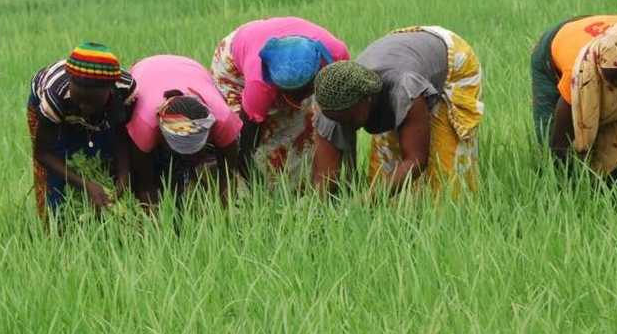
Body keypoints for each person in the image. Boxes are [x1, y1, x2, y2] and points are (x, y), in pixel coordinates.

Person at [312, 26, 483, 196]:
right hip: (398, 52)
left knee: (444, 170)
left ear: (367, 99)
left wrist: (364, 203)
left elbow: (416, 161)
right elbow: (325, 177)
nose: (343, 126)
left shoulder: (403, 88)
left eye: (348, 119)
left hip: (450, 60)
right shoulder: (331, 101)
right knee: (386, 167)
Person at [210, 17, 349, 181]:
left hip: (283, 43)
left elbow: (345, 119)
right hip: (235, 65)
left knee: (305, 129)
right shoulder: (259, 82)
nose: (297, 101)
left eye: (304, 91)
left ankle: (302, 187)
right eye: (289, 94)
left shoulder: (336, 57)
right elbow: (246, 140)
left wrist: (348, 174)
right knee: (250, 138)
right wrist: (254, 183)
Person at [529, 17, 617, 176]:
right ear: (598, 64)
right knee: (549, 132)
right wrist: (563, 177)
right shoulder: (577, 75)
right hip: (555, 44)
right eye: (612, 79)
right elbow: (560, 143)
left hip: (591, 25)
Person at [27, 43, 137, 221]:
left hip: (101, 108)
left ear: (110, 89)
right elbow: (43, 153)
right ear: (70, 83)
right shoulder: (55, 97)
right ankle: (55, 227)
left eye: (92, 102)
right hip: (57, 111)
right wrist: (86, 185)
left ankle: (103, 225)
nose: (85, 109)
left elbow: (122, 136)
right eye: (80, 100)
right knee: (54, 177)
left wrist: (124, 175)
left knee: (106, 159)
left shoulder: (124, 91)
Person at [126, 55, 244, 208]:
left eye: (194, 149)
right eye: (181, 149)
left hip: (191, 69)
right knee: (158, 170)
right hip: (145, 70)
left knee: (206, 165)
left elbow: (228, 176)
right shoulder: (144, 125)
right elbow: (146, 187)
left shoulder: (223, 120)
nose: (187, 154)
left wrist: (226, 212)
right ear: (161, 135)